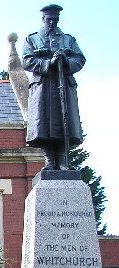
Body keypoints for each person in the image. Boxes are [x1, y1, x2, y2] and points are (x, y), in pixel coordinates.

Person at [23, 4, 86, 170]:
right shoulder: (33, 39)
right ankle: (49, 160)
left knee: (65, 121)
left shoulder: (68, 40)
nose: (52, 22)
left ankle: (64, 160)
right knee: (44, 123)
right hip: (44, 86)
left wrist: (66, 61)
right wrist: (47, 63)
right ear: (43, 19)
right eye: (49, 19)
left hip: (63, 85)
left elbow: (80, 59)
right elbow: (27, 61)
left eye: (55, 19)